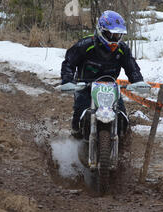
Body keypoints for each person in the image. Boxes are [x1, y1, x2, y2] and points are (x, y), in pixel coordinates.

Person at [60, 10, 148, 138]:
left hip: (110, 87)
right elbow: (69, 63)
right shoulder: (85, 45)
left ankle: (122, 145)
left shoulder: (122, 49)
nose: (114, 39)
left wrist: (138, 81)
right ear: (102, 30)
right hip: (85, 86)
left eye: (118, 35)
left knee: (122, 118)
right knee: (79, 117)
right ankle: (76, 141)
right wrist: (67, 80)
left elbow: (132, 67)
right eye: (111, 34)